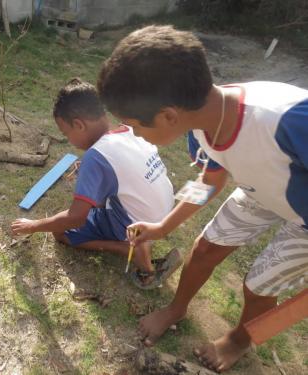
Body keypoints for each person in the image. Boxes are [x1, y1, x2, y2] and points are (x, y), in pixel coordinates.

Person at [97, 24, 308, 373]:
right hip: (262, 189)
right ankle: (176, 308)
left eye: (133, 124)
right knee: (205, 247)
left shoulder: (288, 120)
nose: (133, 133)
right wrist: (163, 226)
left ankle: (240, 339)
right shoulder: (199, 122)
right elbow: (210, 179)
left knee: (257, 285)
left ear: (168, 115)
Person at [11, 78, 176, 287]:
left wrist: (33, 226)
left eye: (66, 133)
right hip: (165, 214)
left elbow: (75, 218)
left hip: (137, 224)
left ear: (79, 124)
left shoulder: (96, 157)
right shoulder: (128, 130)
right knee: (102, 202)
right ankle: (138, 240)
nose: (68, 139)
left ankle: (127, 248)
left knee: (60, 232)